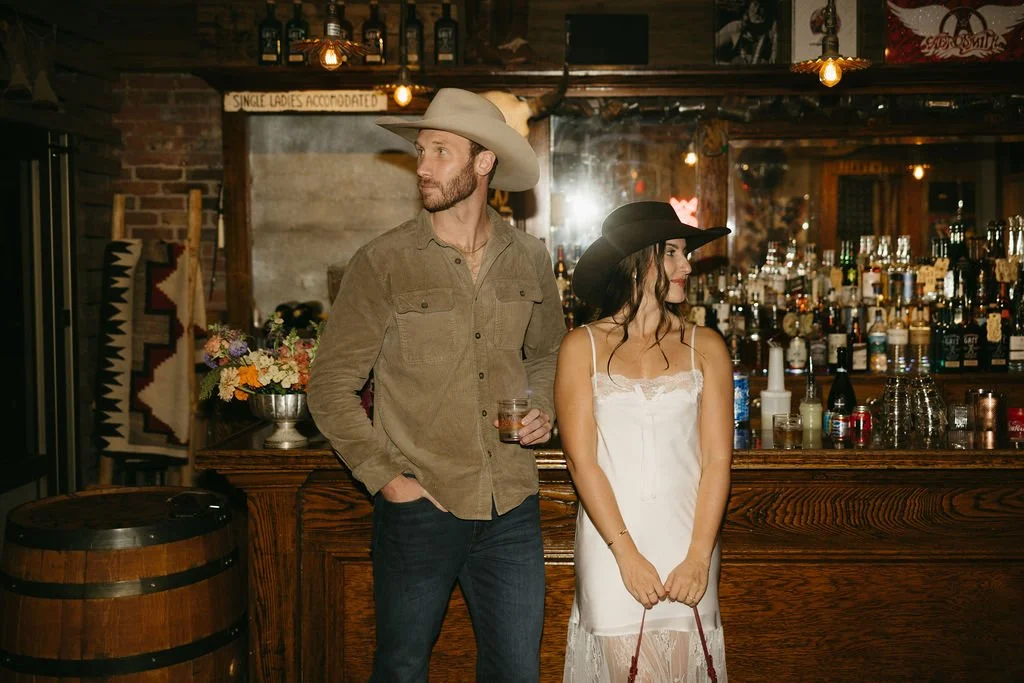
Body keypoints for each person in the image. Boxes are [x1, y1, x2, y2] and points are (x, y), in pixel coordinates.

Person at [307, 88, 566, 682]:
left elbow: (548, 351)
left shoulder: (530, 258)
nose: (422, 166)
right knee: (400, 671)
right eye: (421, 151)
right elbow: (330, 386)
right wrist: (389, 481)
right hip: (420, 505)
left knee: (516, 673)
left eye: (440, 152)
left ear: (484, 163)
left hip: (511, 507)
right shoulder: (382, 262)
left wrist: (542, 406)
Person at [557, 201, 732, 682]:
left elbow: (718, 461)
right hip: (612, 546)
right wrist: (626, 555)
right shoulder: (581, 347)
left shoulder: (707, 346)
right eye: (672, 252)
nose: (687, 265)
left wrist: (699, 557)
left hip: (689, 541)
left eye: (686, 253)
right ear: (638, 260)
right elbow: (581, 461)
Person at [715, 0, 777, 65]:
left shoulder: (772, 34)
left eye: (762, 6)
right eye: (755, 4)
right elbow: (708, 52)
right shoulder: (736, 27)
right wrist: (729, 66)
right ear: (748, 7)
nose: (756, 11)